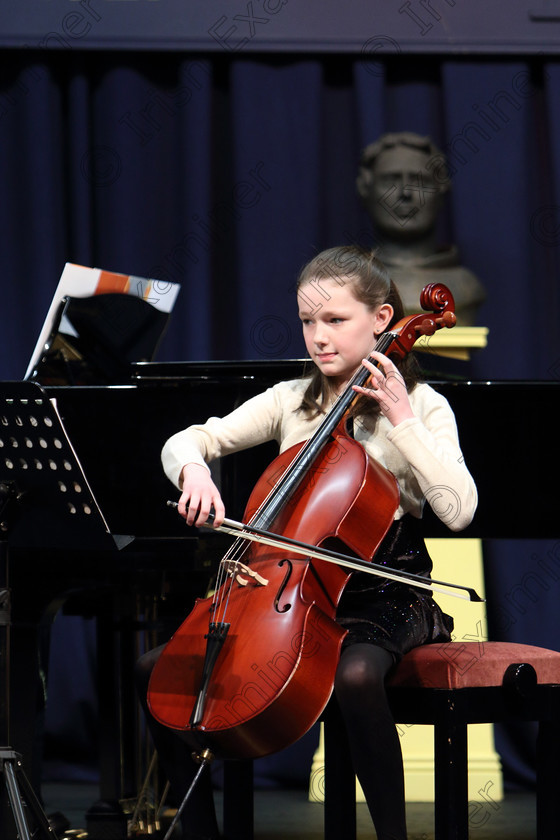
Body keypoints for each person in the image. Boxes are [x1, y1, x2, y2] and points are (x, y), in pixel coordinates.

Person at [137, 244, 477, 840]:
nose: (318, 337)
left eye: (335, 320)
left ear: (381, 320)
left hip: (384, 593)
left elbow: (458, 511)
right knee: (156, 671)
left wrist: (401, 417)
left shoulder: (424, 406)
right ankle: (201, 833)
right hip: (288, 591)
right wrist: (193, 471)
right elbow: (188, 440)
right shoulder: (291, 401)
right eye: (306, 321)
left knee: (356, 676)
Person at [357, 132, 486, 326]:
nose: (406, 193)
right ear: (365, 189)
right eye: (390, 181)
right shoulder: (352, 283)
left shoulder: (465, 286)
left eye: (421, 182)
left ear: (441, 192)